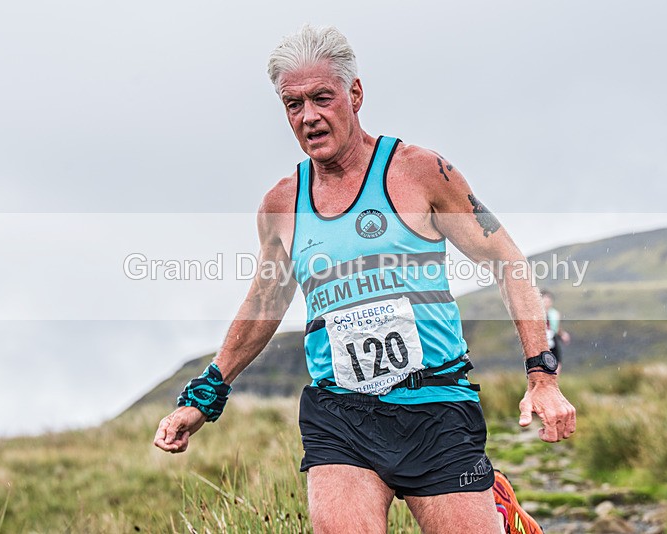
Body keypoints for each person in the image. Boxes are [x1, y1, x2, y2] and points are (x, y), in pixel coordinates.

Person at [153, 25, 576, 534]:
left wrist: (542, 377)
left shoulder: (420, 173)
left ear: (354, 94)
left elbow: (507, 261)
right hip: (341, 414)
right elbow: (265, 302)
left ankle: (494, 502)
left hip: (436, 406)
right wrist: (204, 396)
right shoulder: (281, 206)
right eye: (292, 104)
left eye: (321, 98)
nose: (308, 116)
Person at [540, 289, 570, 374]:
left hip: (553, 338)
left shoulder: (555, 313)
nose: (547, 303)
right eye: (545, 301)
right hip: (541, 339)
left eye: (548, 301)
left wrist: (563, 334)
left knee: (557, 362)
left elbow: (557, 328)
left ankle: (554, 381)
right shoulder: (536, 314)